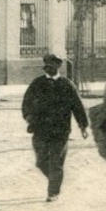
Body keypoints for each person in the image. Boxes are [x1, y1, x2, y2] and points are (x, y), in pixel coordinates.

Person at [21, 53, 89, 202]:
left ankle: (53, 192)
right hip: (40, 129)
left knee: (56, 162)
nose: (48, 68)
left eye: (52, 65)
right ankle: (55, 179)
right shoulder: (37, 83)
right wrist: (28, 117)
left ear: (59, 66)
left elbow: (77, 106)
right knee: (41, 162)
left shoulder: (67, 84)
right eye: (46, 65)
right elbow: (26, 102)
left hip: (61, 130)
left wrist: (83, 125)